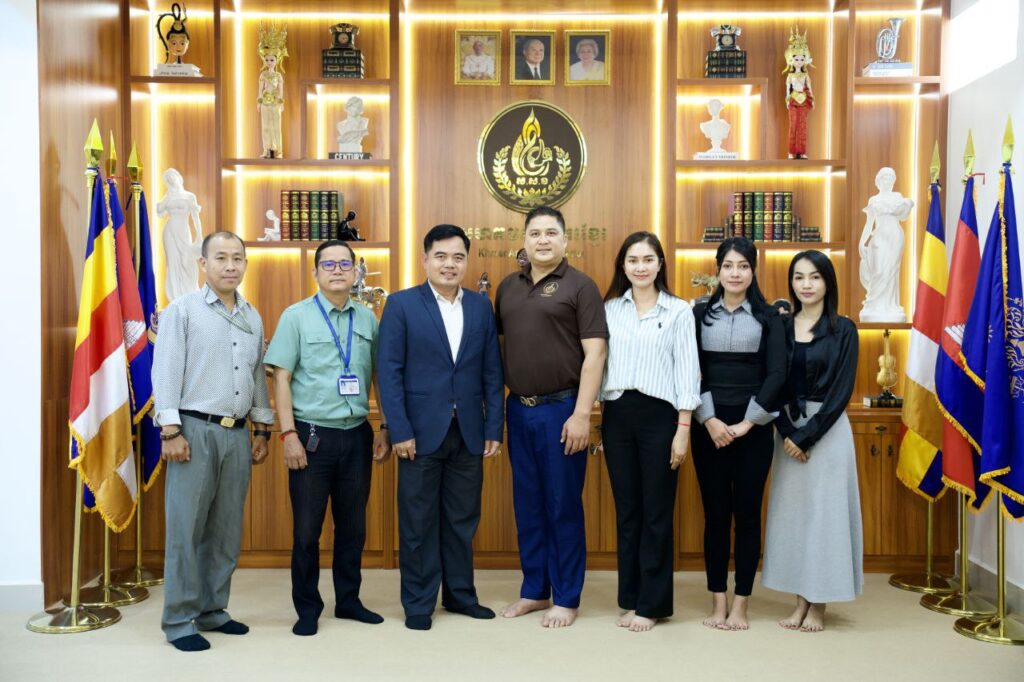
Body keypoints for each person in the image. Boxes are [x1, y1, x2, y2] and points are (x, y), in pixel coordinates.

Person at [377, 224, 505, 631]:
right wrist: (399, 430)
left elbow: (492, 371)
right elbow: (388, 373)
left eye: (458, 257)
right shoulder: (401, 305)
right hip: (418, 433)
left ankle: (460, 595)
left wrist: (494, 427)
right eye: (441, 256)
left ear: (466, 261)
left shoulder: (481, 307)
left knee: (462, 520)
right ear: (425, 259)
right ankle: (418, 603)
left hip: (468, 431)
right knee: (418, 522)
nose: (450, 264)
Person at [152, 231, 274, 652]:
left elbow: (257, 375)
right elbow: (166, 371)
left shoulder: (252, 316)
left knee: (224, 530)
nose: (230, 266)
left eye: (237, 258)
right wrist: (170, 430)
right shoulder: (182, 310)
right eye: (220, 258)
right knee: (186, 529)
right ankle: (179, 620)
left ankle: (212, 609)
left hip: (237, 434)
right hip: (192, 431)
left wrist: (262, 428)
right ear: (203, 264)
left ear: (245, 264)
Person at [264, 240, 391, 637]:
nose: (337, 270)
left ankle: (348, 600)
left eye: (344, 264)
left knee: (353, 528)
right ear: (315, 272)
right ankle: (307, 608)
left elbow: (379, 376)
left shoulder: (368, 318)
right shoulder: (296, 317)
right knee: (307, 531)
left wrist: (385, 427)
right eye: (329, 264)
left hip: (357, 436)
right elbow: (281, 378)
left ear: (355, 272)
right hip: (311, 436)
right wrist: (288, 434)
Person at [495, 206, 608, 628]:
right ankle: (535, 590)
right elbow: (500, 349)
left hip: (563, 410)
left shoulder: (581, 286)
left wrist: (582, 414)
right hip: (518, 410)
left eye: (551, 233)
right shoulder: (508, 287)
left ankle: (567, 596)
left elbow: (596, 353)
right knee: (528, 504)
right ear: (524, 240)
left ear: (565, 240)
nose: (543, 240)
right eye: (535, 233)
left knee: (562, 505)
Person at [600, 232, 700, 632]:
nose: (640, 267)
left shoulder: (678, 311)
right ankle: (631, 598)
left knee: (656, 512)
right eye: (633, 260)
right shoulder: (609, 310)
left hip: (661, 417)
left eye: (648, 259)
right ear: (623, 266)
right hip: (617, 414)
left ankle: (652, 604)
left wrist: (683, 429)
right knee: (628, 512)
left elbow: (687, 371)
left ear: (660, 264)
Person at [762, 250, 862, 632]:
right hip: (787, 430)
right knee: (795, 518)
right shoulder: (781, 326)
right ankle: (799, 601)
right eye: (799, 277)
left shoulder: (844, 329)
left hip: (828, 432)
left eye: (815, 277)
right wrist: (788, 432)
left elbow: (841, 392)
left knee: (825, 518)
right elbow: (772, 382)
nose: (806, 284)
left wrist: (807, 436)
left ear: (827, 282)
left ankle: (818, 604)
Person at [691, 237, 786, 631]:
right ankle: (718, 602)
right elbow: (689, 369)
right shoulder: (698, 314)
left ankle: (741, 604)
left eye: (743, 266)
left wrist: (748, 423)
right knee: (715, 516)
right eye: (728, 266)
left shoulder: (771, 317)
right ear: (717, 270)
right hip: (708, 428)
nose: (735, 273)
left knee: (747, 516)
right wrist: (709, 419)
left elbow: (777, 374)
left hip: (754, 429)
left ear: (753, 271)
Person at [156, 168, 202, 303]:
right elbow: (160, 211)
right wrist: (167, 197)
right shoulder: (168, 197)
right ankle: (175, 298)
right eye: (168, 179)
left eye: (173, 176)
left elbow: (195, 217)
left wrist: (199, 236)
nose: (171, 179)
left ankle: (190, 294)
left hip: (183, 230)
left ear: (179, 177)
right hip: (169, 231)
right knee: (172, 262)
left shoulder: (189, 196)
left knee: (187, 261)